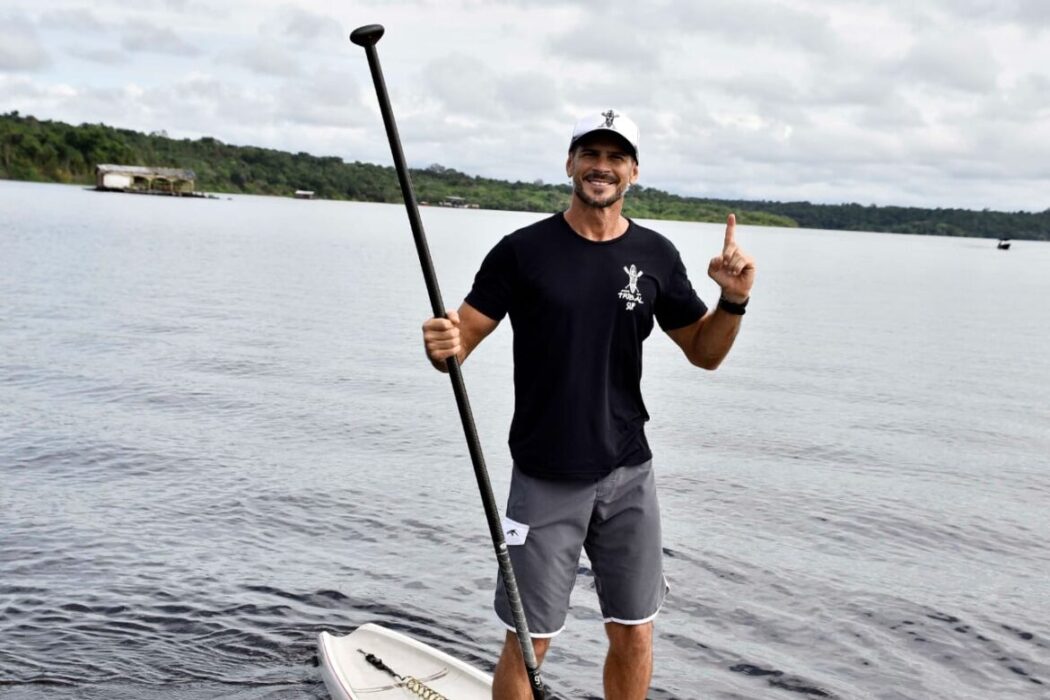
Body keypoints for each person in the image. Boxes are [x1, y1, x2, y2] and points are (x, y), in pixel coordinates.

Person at [421, 109, 756, 700]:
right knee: (530, 643)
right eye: (590, 154)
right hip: (546, 475)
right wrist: (442, 342)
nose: (602, 167)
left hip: (629, 471)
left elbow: (704, 353)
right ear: (571, 163)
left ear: (633, 172)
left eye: (615, 157)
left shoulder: (655, 254)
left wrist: (731, 302)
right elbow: (460, 342)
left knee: (635, 632)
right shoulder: (522, 251)